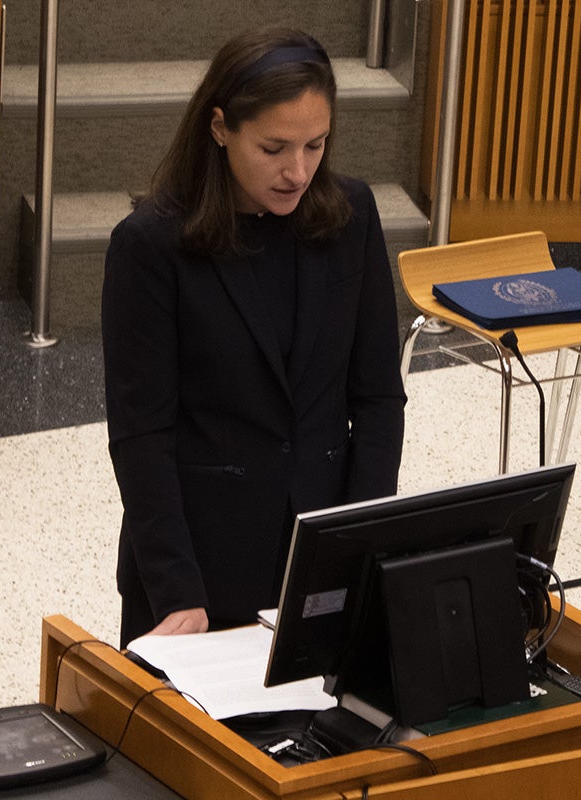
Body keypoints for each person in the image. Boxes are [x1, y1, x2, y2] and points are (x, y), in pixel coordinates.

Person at [102, 27, 406, 648]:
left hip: (321, 554)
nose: (298, 171)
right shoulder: (151, 245)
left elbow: (377, 398)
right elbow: (142, 434)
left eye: (315, 145)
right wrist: (177, 590)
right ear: (220, 129)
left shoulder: (352, 215)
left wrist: (359, 542)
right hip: (200, 568)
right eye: (274, 148)